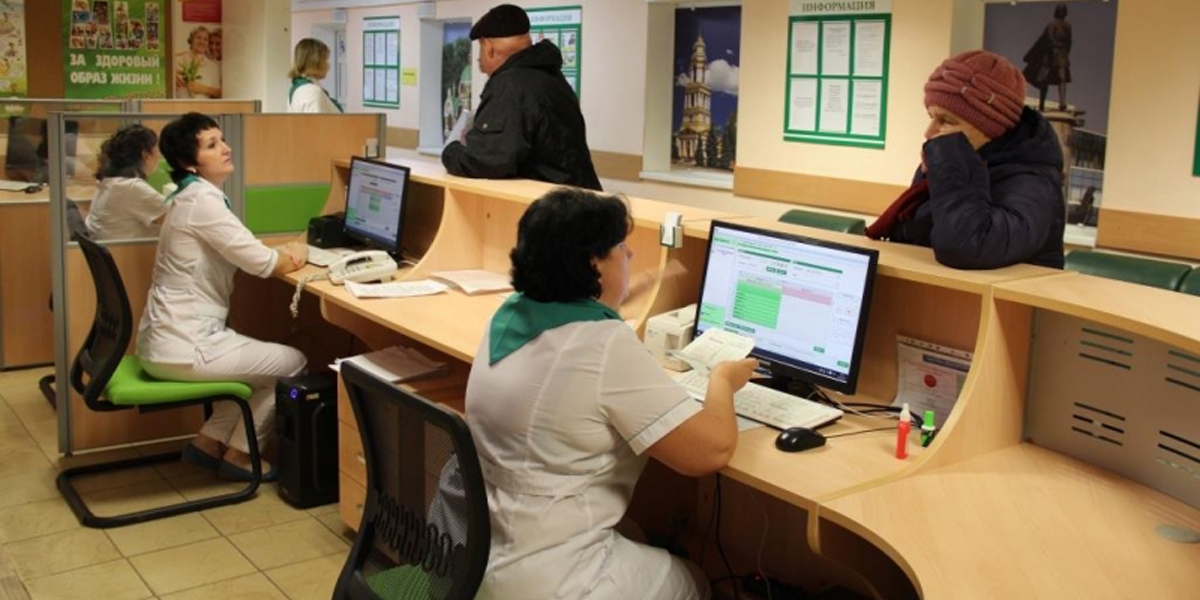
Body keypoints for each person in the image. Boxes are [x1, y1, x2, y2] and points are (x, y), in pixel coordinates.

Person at [465, 187, 758, 600]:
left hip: (476, 553)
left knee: (636, 532)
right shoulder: (602, 344)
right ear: (593, 263)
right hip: (548, 577)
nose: (631, 254)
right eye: (621, 247)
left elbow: (576, 352)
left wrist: (622, 291)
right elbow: (710, 452)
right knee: (693, 579)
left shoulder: (510, 313)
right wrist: (723, 380)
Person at [137, 113, 309, 481]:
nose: (226, 148)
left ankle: (208, 443)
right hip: (185, 346)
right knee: (292, 363)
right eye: (212, 145)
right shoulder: (203, 203)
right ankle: (241, 455)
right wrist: (299, 250)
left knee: (260, 367)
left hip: (166, 339)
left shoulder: (189, 197)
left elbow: (245, 249)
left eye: (222, 140)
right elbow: (266, 264)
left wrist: (279, 251)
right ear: (189, 163)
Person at [865, 50, 1065, 270]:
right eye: (931, 117)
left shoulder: (1032, 182)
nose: (929, 132)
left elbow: (966, 247)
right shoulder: (950, 158)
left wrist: (949, 160)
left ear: (991, 128)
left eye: (947, 121)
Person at [442, 4, 601, 191]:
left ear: (489, 48)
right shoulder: (551, 77)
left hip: (553, 203)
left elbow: (487, 161)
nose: (478, 59)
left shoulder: (510, 85)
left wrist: (451, 151)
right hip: (581, 197)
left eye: (480, 49)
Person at [85, 124, 168, 240]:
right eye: (157, 150)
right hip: (125, 250)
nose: (159, 155)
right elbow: (178, 218)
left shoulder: (108, 180)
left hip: (111, 246)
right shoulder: (131, 188)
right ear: (146, 155)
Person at [1023, 3, 1072, 112]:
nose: (1062, 12)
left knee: (1062, 78)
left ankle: (1062, 103)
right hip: (1049, 56)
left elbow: (1069, 42)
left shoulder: (1068, 26)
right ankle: (1042, 103)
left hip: (1062, 55)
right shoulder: (1051, 25)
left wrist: (1064, 53)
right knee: (1044, 80)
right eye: (1060, 10)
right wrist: (1054, 48)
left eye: (1063, 10)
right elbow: (1049, 38)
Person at [287, 38, 343, 114]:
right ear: (315, 62)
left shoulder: (298, 86)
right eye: (325, 60)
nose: (328, 65)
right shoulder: (311, 92)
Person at [175, 26, 220, 99]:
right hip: (182, 104)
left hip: (204, 105)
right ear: (191, 40)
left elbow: (218, 93)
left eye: (205, 39)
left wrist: (202, 89)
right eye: (198, 38)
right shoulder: (178, 60)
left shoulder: (212, 66)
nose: (202, 42)